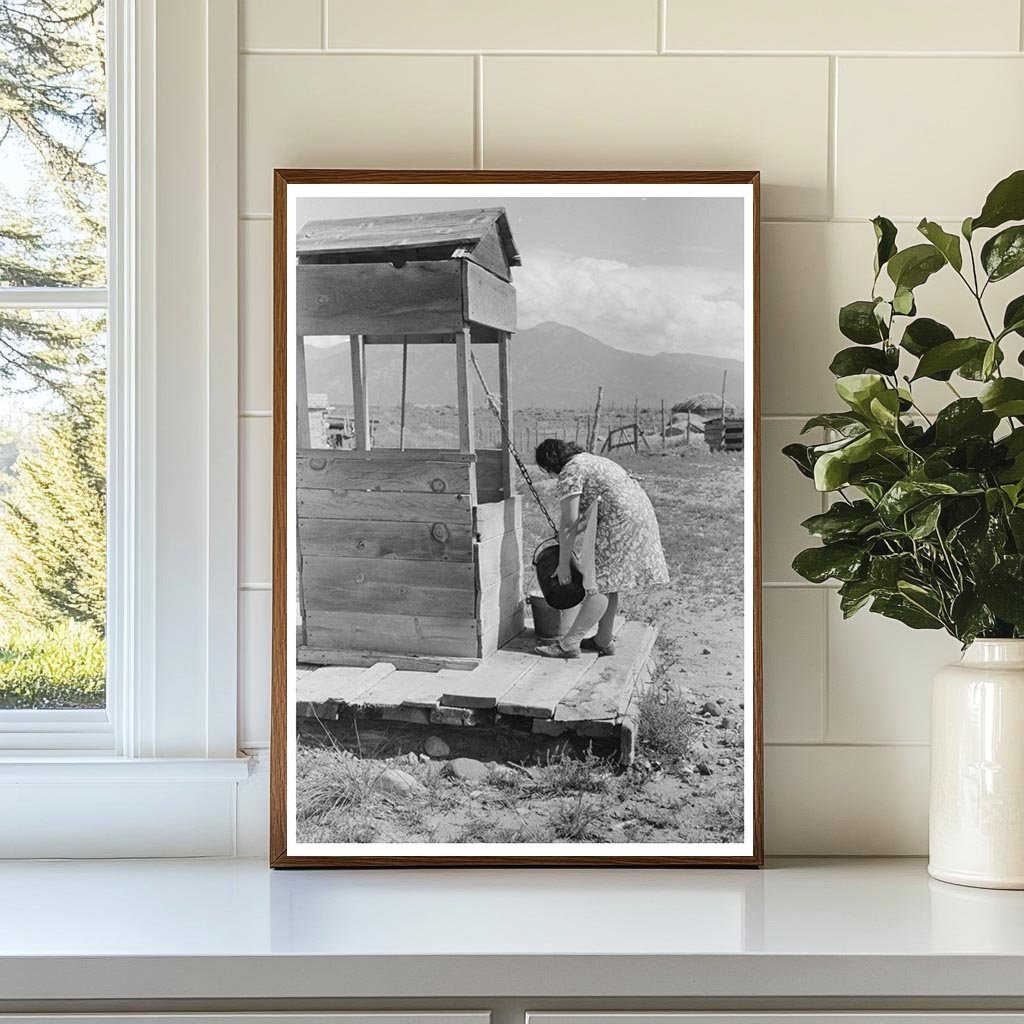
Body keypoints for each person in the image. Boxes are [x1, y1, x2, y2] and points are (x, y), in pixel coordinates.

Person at [532, 439, 669, 658]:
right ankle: (603, 641)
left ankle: (568, 645)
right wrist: (570, 535)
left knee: (598, 585)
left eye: (547, 470)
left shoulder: (571, 471)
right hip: (637, 515)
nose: (550, 475)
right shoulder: (589, 460)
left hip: (620, 522)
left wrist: (563, 564)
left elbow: (569, 522)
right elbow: (588, 513)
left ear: (549, 463)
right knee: (609, 581)